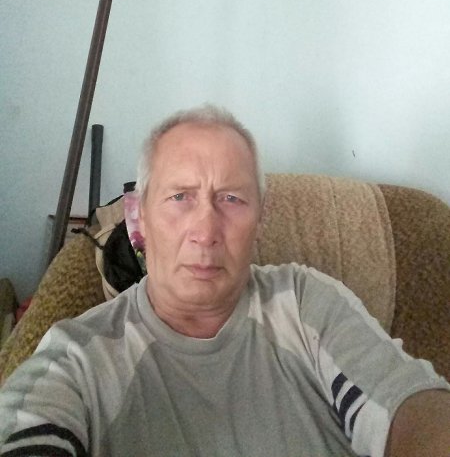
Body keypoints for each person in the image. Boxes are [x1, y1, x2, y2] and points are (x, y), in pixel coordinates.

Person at [0, 105, 449, 457]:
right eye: (180, 196)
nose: (206, 230)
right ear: (140, 219)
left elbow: (405, 402)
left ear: (261, 220)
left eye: (231, 198)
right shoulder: (78, 356)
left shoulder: (305, 301)